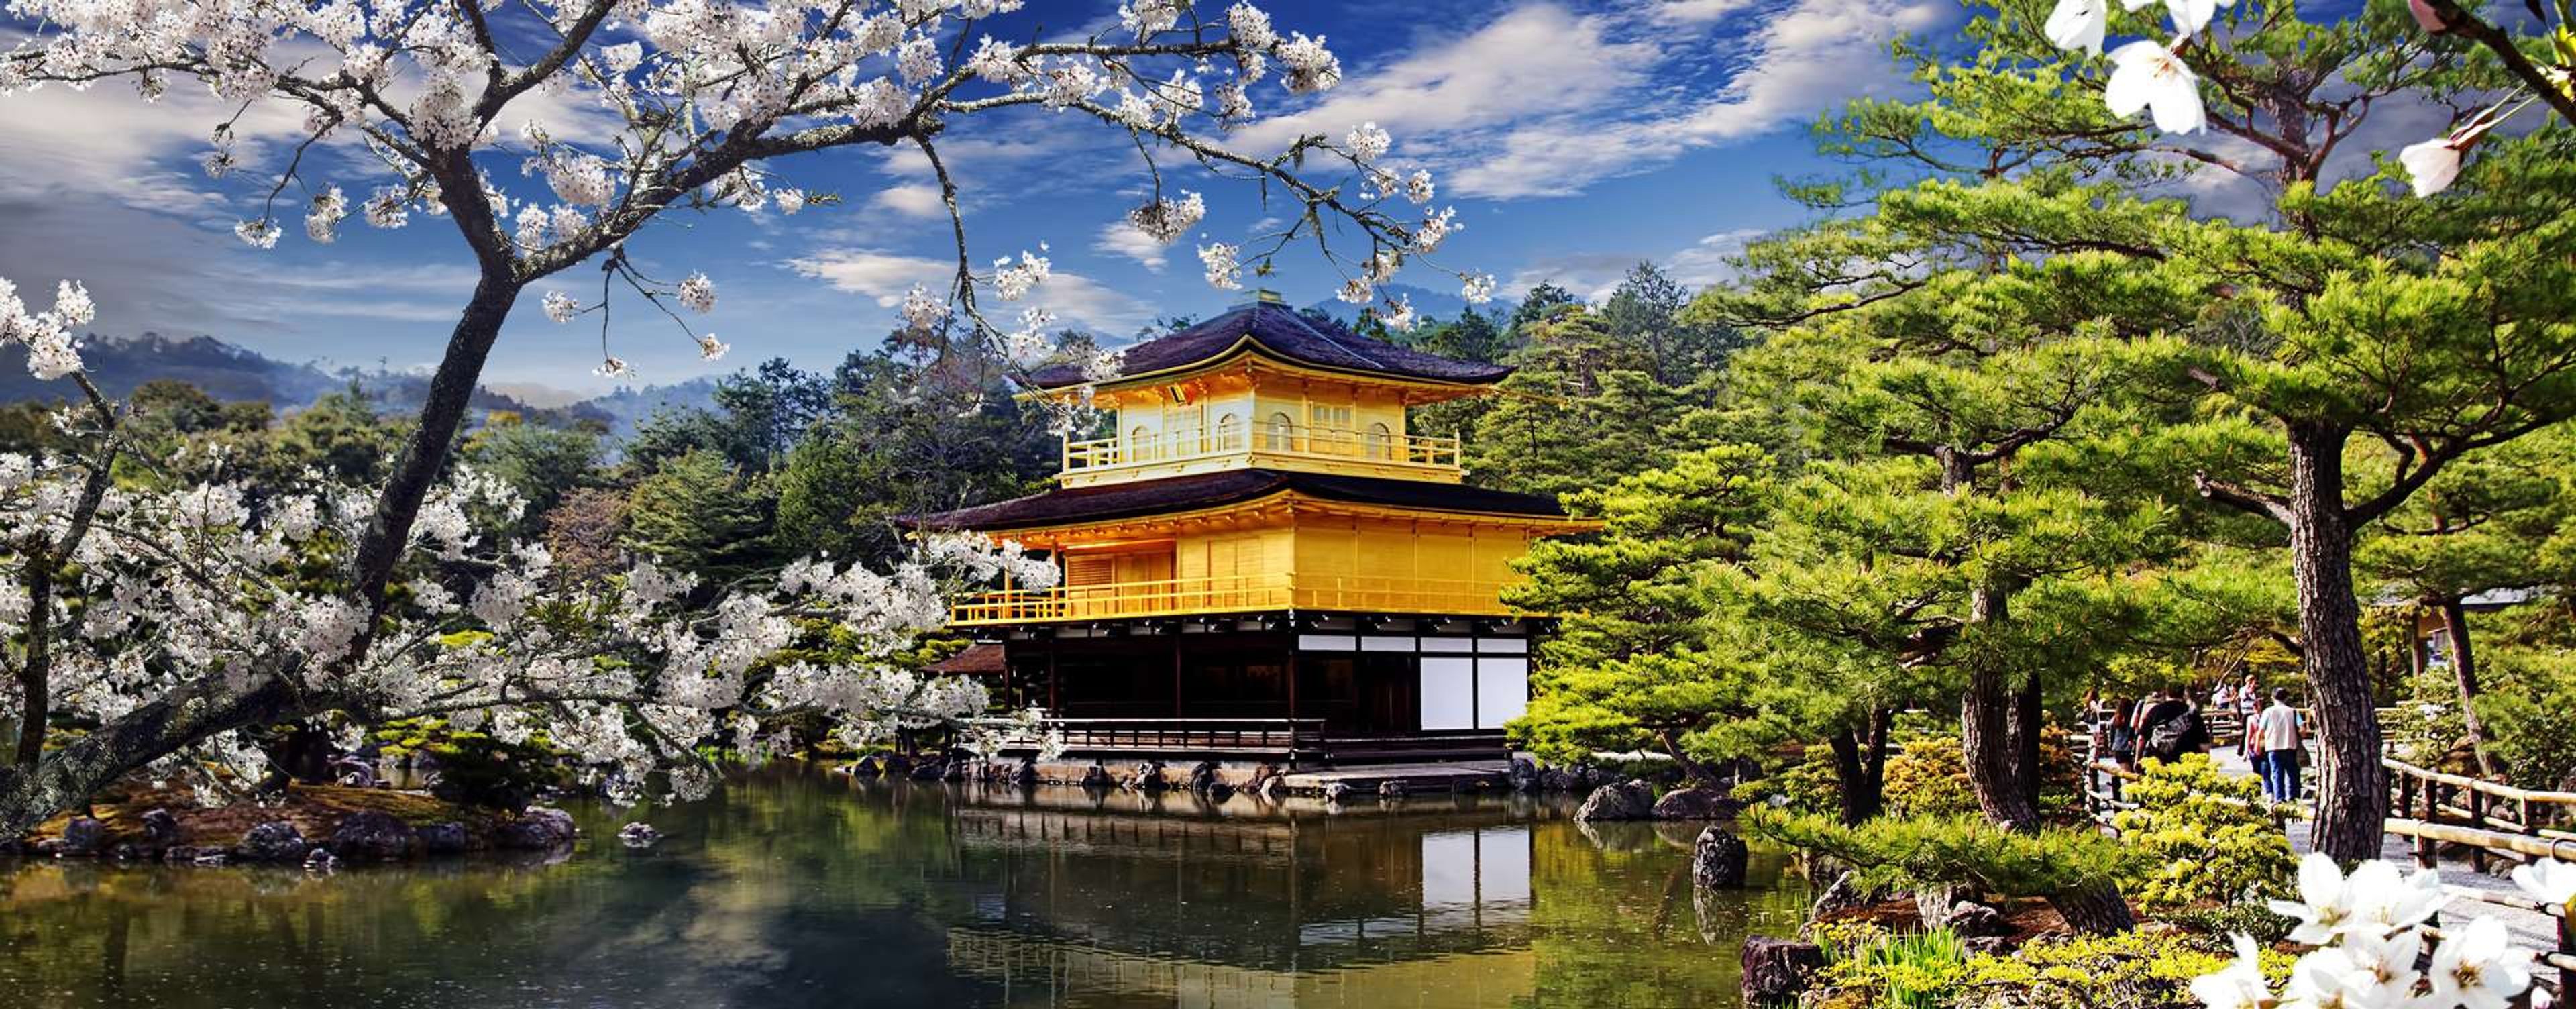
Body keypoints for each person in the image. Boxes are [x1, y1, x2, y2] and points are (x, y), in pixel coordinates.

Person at [2255, 688, 2303, 803]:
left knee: (2277, 774)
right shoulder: (2293, 711)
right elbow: (2303, 729)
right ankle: (2293, 797)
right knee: (2292, 773)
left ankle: (2279, 798)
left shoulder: (2268, 712)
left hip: (2273, 747)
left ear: (2272, 698)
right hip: (2290, 746)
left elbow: (2260, 731)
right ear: (2286, 698)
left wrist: (2257, 746)